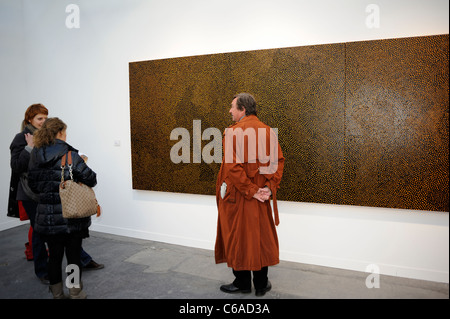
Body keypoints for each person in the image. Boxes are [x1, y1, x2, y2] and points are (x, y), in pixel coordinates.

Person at [214, 93, 284, 297]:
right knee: (259, 237)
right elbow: (278, 162)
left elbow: (233, 168)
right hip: (261, 195)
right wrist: (268, 188)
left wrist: (251, 191)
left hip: (239, 196)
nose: (230, 111)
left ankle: (242, 283)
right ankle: (261, 284)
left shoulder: (232, 132)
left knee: (238, 237)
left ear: (243, 109)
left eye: (232, 107)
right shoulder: (268, 131)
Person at [28, 117, 97, 299]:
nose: (66, 135)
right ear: (59, 133)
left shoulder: (35, 155)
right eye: (65, 132)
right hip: (71, 218)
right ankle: (75, 292)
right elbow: (91, 179)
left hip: (47, 218)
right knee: (73, 257)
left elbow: (33, 186)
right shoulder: (70, 155)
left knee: (54, 257)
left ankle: (57, 293)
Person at [8, 103, 49, 282]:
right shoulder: (21, 137)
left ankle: (82, 260)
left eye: (46, 118)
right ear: (30, 119)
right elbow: (16, 166)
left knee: (59, 227)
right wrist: (29, 147)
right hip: (29, 193)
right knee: (39, 231)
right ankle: (42, 271)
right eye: (40, 118)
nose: (43, 121)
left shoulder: (45, 136)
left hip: (45, 190)